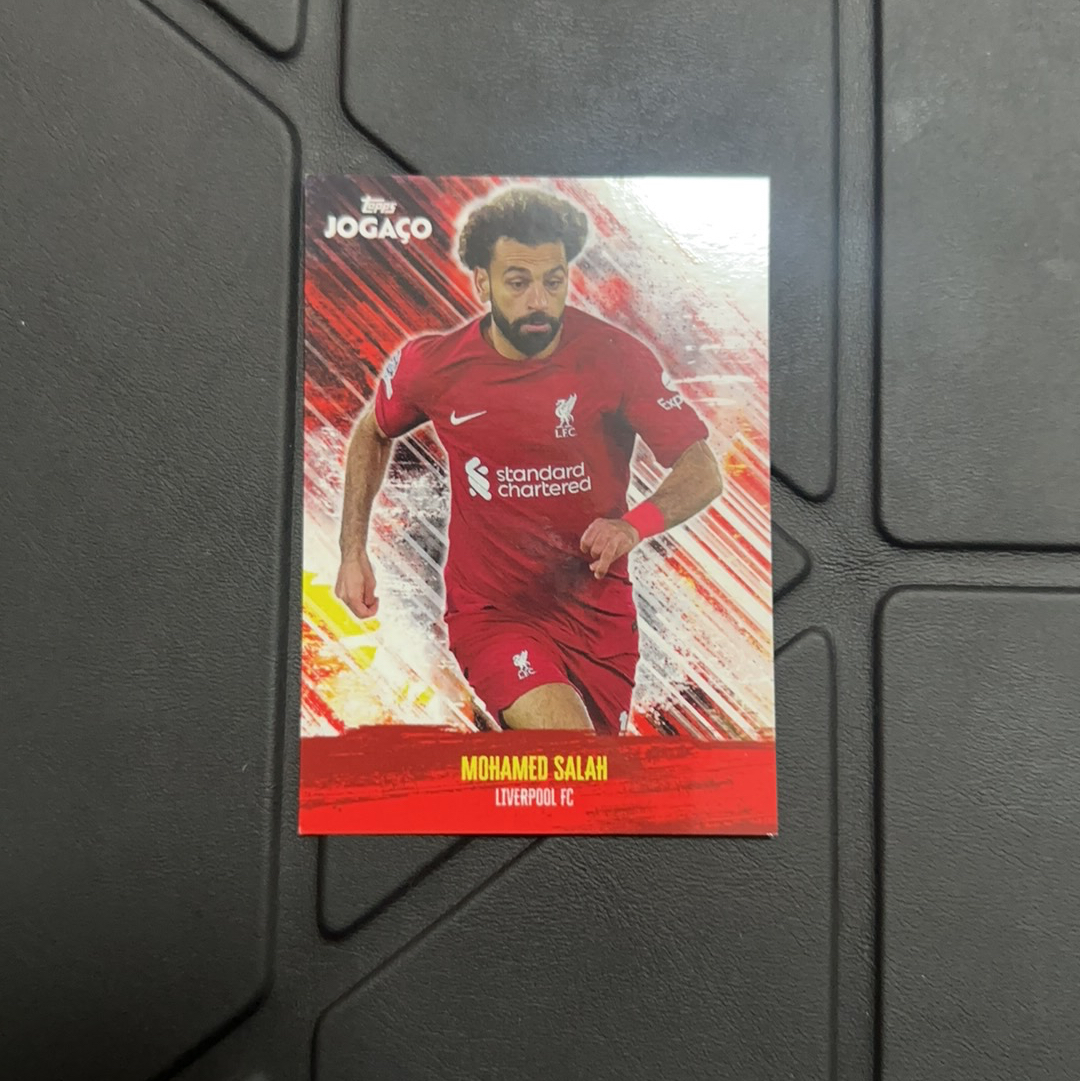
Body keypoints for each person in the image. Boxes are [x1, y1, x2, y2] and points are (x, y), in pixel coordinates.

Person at [335, 188, 723, 733]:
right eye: (518, 282)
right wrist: (352, 550)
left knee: (593, 777)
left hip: (600, 622)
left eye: (553, 281)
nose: (539, 300)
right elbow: (372, 433)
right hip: (494, 615)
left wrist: (633, 526)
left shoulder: (616, 358)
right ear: (483, 283)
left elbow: (702, 469)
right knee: (569, 749)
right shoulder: (435, 364)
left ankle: (491, 733)